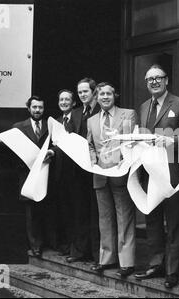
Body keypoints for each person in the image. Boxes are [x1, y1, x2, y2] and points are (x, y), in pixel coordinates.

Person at [133, 64, 179, 289]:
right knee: (153, 220)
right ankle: (156, 264)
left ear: (166, 80)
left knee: (174, 223)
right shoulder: (144, 106)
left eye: (158, 78)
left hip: (172, 172)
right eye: (150, 79)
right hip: (150, 172)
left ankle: (172, 271)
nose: (154, 82)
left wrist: (172, 141)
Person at [0, 95, 51, 259]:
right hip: (27, 175)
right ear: (29, 108)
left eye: (40, 107)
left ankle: (51, 243)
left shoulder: (50, 126)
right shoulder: (19, 127)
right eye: (34, 107)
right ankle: (35, 246)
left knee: (49, 209)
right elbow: (7, 147)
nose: (37, 110)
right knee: (31, 212)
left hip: (47, 173)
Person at [87, 82, 138, 278]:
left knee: (125, 217)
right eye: (101, 94)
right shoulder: (91, 120)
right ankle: (106, 259)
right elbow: (90, 144)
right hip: (100, 174)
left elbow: (132, 141)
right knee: (105, 219)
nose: (105, 97)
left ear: (114, 95)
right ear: (96, 98)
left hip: (120, 173)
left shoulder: (128, 114)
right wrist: (92, 160)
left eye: (109, 93)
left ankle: (127, 262)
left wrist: (124, 161)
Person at [47, 89, 94, 263]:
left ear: (74, 103)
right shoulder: (56, 122)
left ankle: (80, 250)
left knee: (80, 212)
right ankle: (68, 247)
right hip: (61, 174)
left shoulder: (79, 117)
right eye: (61, 100)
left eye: (68, 99)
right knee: (66, 213)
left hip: (77, 172)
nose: (64, 102)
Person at [76, 78, 101, 264]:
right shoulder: (79, 113)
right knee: (83, 211)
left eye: (85, 91)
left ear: (94, 92)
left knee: (97, 213)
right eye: (80, 92)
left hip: (98, 168)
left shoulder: (101, 110)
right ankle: (84, 251)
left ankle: (96, 253)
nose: (83, 95)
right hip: (81, 171)